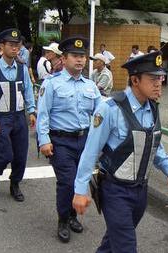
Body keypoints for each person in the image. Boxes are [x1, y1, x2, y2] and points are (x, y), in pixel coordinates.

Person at [73, 51, 168, 253]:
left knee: (113, 242)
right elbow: (90, 151)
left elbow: (153, 142)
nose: (159, 83)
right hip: (115, 191)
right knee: (126, 247)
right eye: (152, 78)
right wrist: (80, 190)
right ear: (135, 80)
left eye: (160, 77)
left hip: (140, 191)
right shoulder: (110, 109)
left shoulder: (153, 108)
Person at [36, 36, 101, 243]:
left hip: (85, 142)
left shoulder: (91, 86)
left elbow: (101, 114)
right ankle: (63, 219)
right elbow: (43, 113)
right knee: (67, 182)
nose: (80, 60)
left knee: (79, 181)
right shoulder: (52, 83)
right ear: (63, 59)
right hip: (61, 141)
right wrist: (44, 140)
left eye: (82, 56)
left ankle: (72, 216)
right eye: (75, 56)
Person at [0, 28, 36, 202]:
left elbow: (28, 90)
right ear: (1, 46)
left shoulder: (22, 68)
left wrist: (32, 110)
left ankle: (15, 184)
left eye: (17, 45)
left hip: (19, 117)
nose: (15, 48)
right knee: (5, 154)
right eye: (11, 45)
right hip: (2, 119)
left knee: (21, 155)